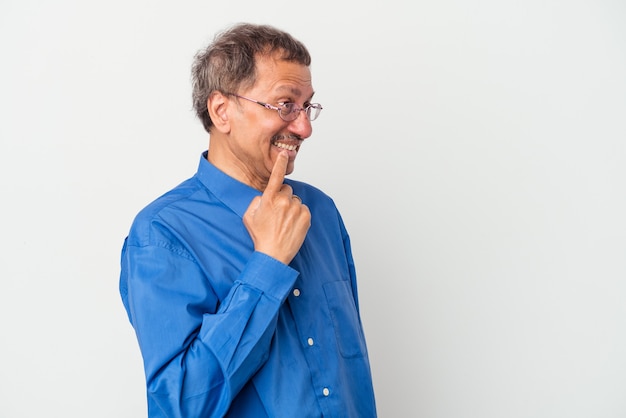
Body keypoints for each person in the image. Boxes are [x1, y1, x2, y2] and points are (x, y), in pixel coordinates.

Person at [119, 22, 377, 418]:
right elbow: (182, 408)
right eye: (285, 105)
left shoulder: (321, 212)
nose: (304, 127)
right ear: (222, 111)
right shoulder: (162, 235)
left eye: (307, 107)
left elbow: (350, 375)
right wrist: (268, 265)